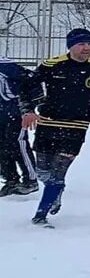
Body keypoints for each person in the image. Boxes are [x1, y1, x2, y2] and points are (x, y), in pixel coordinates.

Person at [19, 28, 90, 226]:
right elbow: (26, 85)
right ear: (71, 46)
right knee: (43, 171)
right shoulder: (52, 65)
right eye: (82, 44)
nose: (87, 48)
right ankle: (56, 191)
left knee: (58, 171)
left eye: (89, 44)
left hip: (76, 127)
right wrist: (28, 110)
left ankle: (41, 214)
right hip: (48, 123)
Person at [0, 56, 37, 196]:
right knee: (3, 146)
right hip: (2, 114)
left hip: (15, 112)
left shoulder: (5, 65)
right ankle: (11, 179)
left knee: (18, 143)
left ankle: (31, 179)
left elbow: (31, 79)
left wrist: (29, 107)